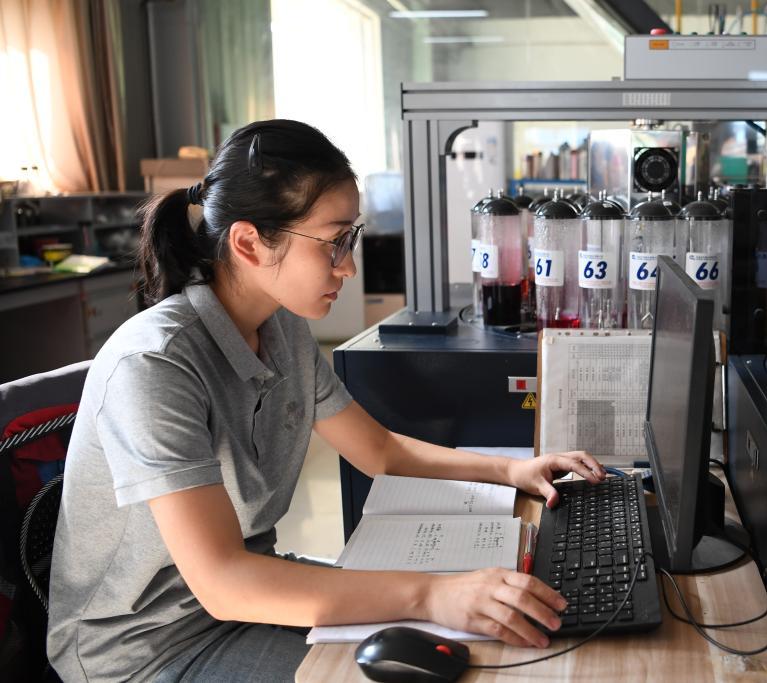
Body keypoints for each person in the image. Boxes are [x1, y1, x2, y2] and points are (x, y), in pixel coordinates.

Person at [47, 120, 607, 682]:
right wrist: (433, 595)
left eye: (350, 238)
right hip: (150, 648)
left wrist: (511, 471)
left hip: (247, 599)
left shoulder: (281, 329)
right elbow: (222, 583)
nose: (349, 265)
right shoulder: (155, 365)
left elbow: (380, 451)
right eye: (334, 241)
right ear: (248, 243)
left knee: (486, 650)